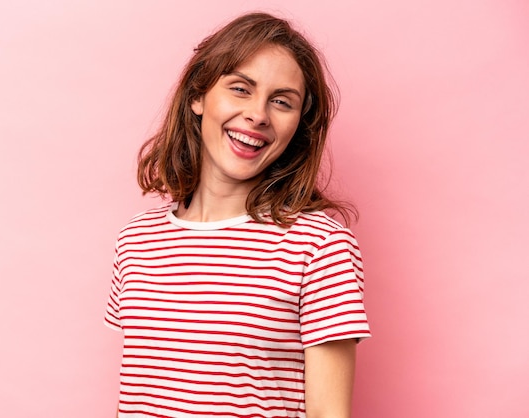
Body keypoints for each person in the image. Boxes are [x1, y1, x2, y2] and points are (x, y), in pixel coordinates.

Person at [105, 11, 370, 418]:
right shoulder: (136, 242)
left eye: (282, 101)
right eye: (241, 89)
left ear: (298, 125)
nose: (258, 114)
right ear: (198, 96)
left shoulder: (320, 246)